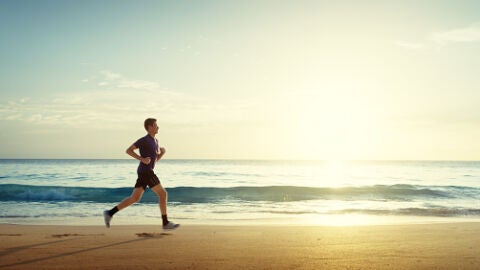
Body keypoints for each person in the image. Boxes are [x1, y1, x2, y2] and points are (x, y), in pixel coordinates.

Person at [103, 118, 179, 230]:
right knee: (163, 194)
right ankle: (165, 223)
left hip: (145, 171)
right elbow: (128, 150)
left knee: (134, 198)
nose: (158, 127)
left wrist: (161, 153)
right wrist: (142, 159)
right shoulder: (144, 140)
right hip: (146, 172)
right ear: (150, 127)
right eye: (156, 125)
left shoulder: (156, 141)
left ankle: (110, 213)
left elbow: (154, 161)